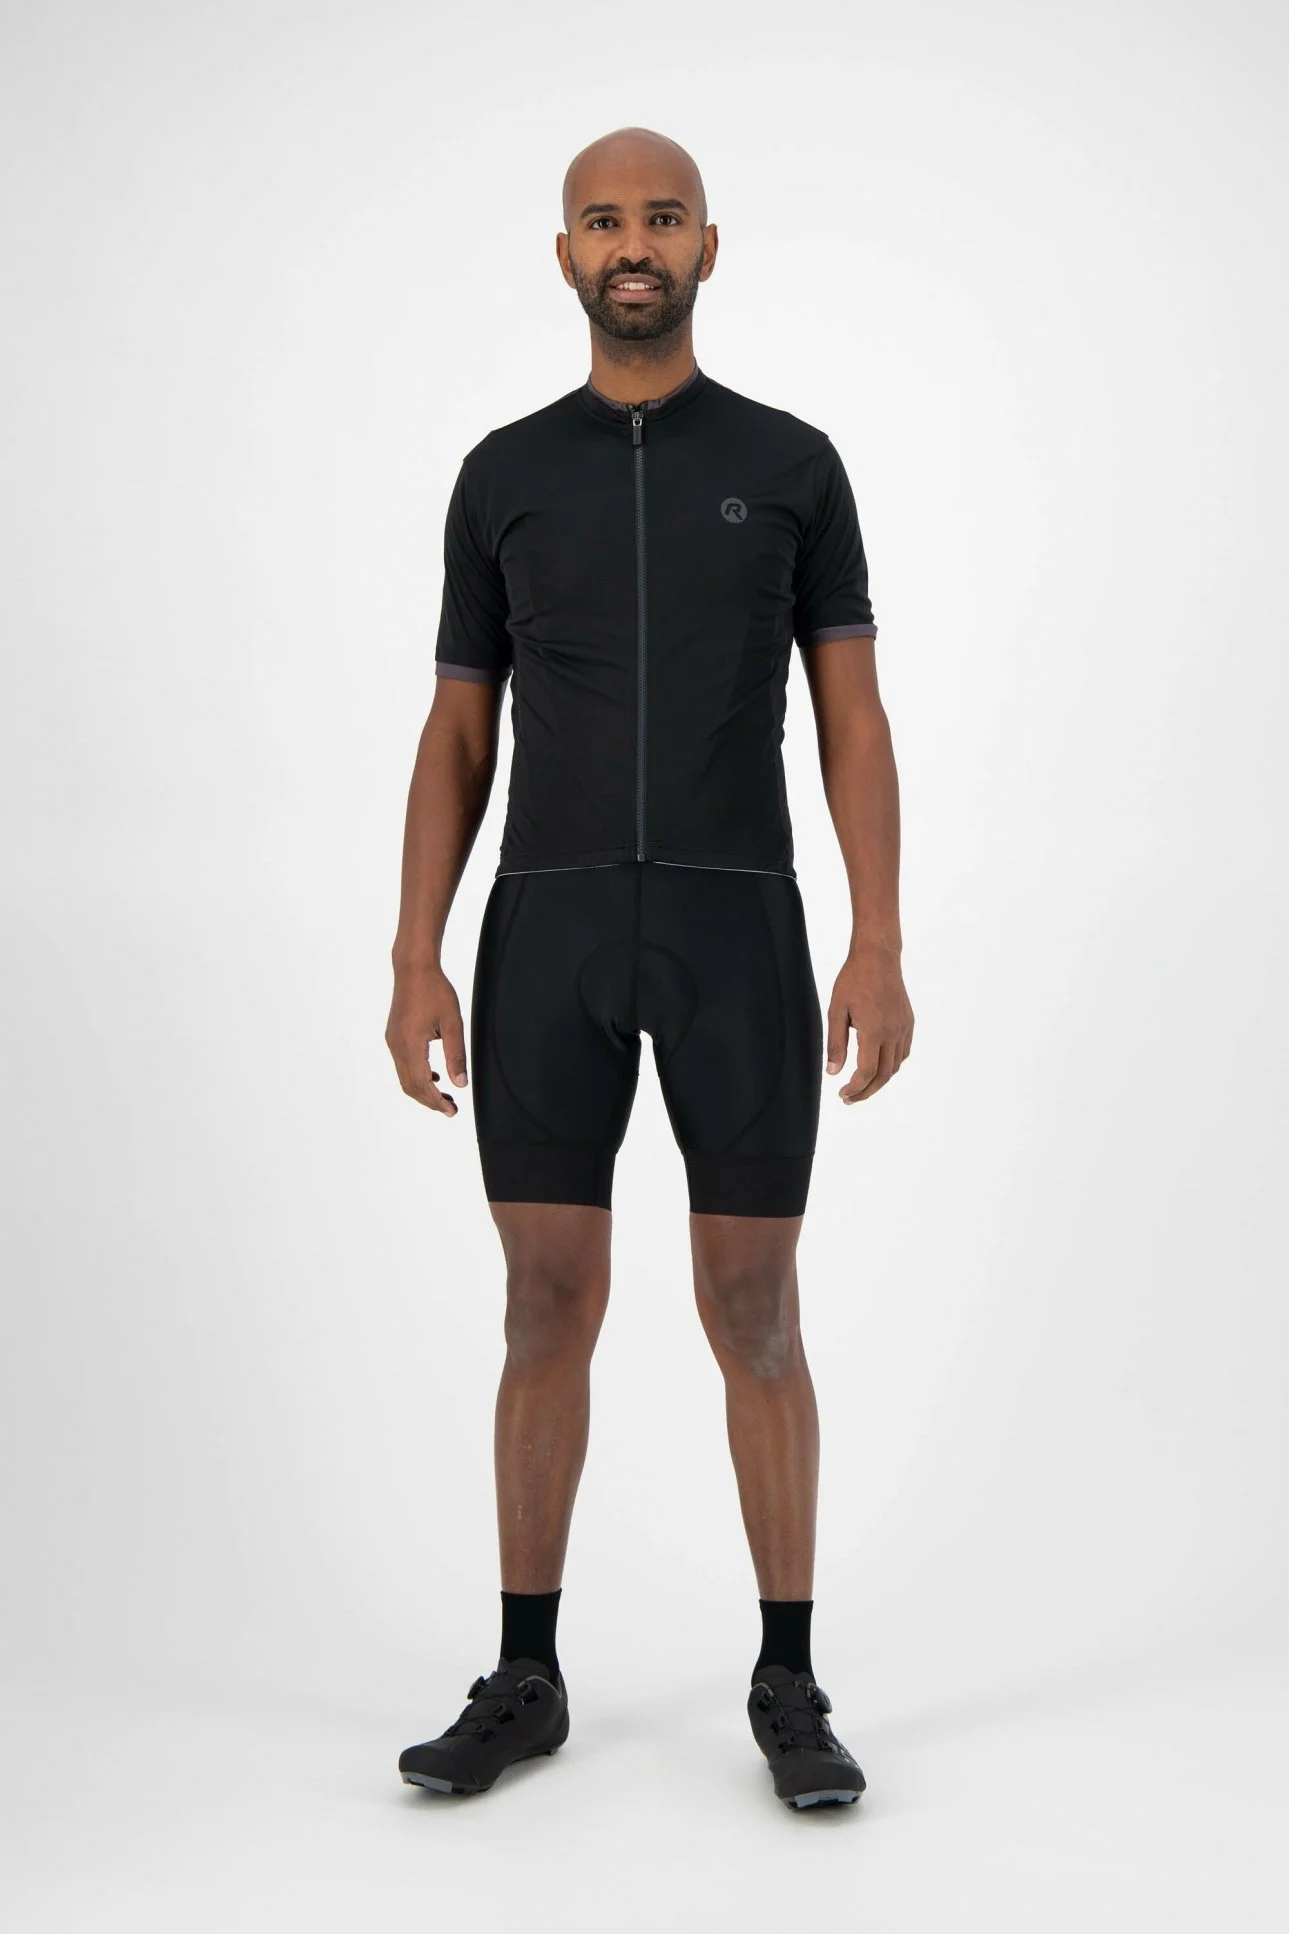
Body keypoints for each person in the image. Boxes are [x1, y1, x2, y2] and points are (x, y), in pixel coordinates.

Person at [385, 125, 914, 1810]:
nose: (634, 242)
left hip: (735, 926)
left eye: (662, 216)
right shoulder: (503, 474)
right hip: (544, 929)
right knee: (544, 1300)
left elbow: (852, 716)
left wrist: (879, 934)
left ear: (707, 245)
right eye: (604, 219)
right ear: (564, 254)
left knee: (754, 1306)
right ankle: (525, 1674)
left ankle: (791, 1679)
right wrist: (414, 952)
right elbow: (457, 730)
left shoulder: (794, 464)